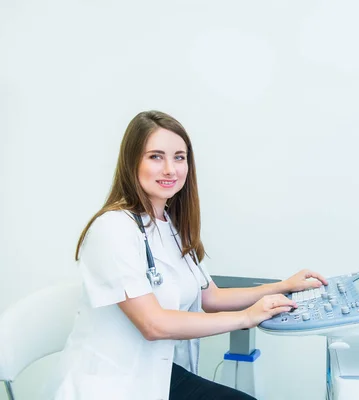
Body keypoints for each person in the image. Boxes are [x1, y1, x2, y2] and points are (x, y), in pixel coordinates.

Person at [43, 110, 328, 400]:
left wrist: (283, 286)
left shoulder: (172, 224)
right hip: (115, 383)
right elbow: (153, 324)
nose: (170, 169)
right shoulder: (112, 229)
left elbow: (211, 298)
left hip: (158, 374)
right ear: (132, 162)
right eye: (155, 156)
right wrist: (246, 317)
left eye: (179, 157)